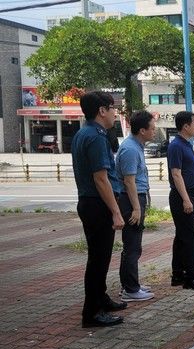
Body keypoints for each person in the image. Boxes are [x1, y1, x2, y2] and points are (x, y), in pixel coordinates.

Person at [71, 91, 127, 328]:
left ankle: (101, 299)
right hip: (97, 204)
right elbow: (101, 178)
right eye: (112, 108)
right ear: (101, 111)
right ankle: (92, 313)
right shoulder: (95, 136)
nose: (115, 113)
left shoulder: (84, 133)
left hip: (90, 202)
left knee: (99, 258)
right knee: (98, 260)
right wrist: (115, 211)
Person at [116, 110, 156, 302]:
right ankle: (131, 289)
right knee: (132, 246)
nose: (154, 132)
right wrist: (137, 208)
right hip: (131, 199)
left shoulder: (135, 145)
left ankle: (130, 285)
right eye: (152, 128)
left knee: (132, 246)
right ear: (142, 130)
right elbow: (129, 181)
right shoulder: (131, 149)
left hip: (135, 198)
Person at [167, 111, 194, 290]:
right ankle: (191, 277)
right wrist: (186, 199)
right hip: (183, 196)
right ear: (185, 126)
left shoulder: (185, 144)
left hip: (189, 195)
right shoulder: (176, 146)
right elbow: (176, 174)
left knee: (182, 237)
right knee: (191, 236)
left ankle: (178, 274)